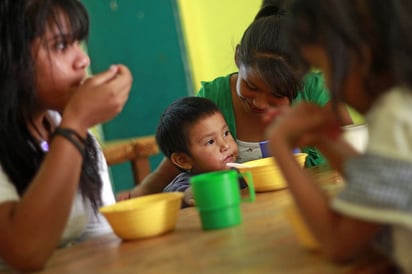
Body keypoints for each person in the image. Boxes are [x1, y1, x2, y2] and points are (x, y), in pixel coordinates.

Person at [118, 4, 352, 200]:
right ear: (238, 57)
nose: (260, 103)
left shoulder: (316, 91)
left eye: (277, 95)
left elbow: (354, 149)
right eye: (250, 86)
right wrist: (142, 192)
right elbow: (184, 155)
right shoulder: (213, 97)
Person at [264, 0, 412, 272]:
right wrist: (325, 139)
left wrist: (280, 145)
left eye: (325, 68)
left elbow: (338, 243)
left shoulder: (395, 115)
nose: (332, 89)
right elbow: (382, 188)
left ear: (361, 50)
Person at [0, 0, 132, 271]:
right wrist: (77, 121)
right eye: (61, 46)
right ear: (11, 58)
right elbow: (25, 253)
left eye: (78, 43)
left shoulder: (67, 127)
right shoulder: (73, 126)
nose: (84, 60)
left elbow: (100, 237)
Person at [157, 97, 247, 208]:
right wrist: (185, 196)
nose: (225, 145)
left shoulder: (239, 173)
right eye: (210, 141)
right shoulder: (184, 186)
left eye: (226, 133)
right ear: (183, 160)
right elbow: (171, 201)